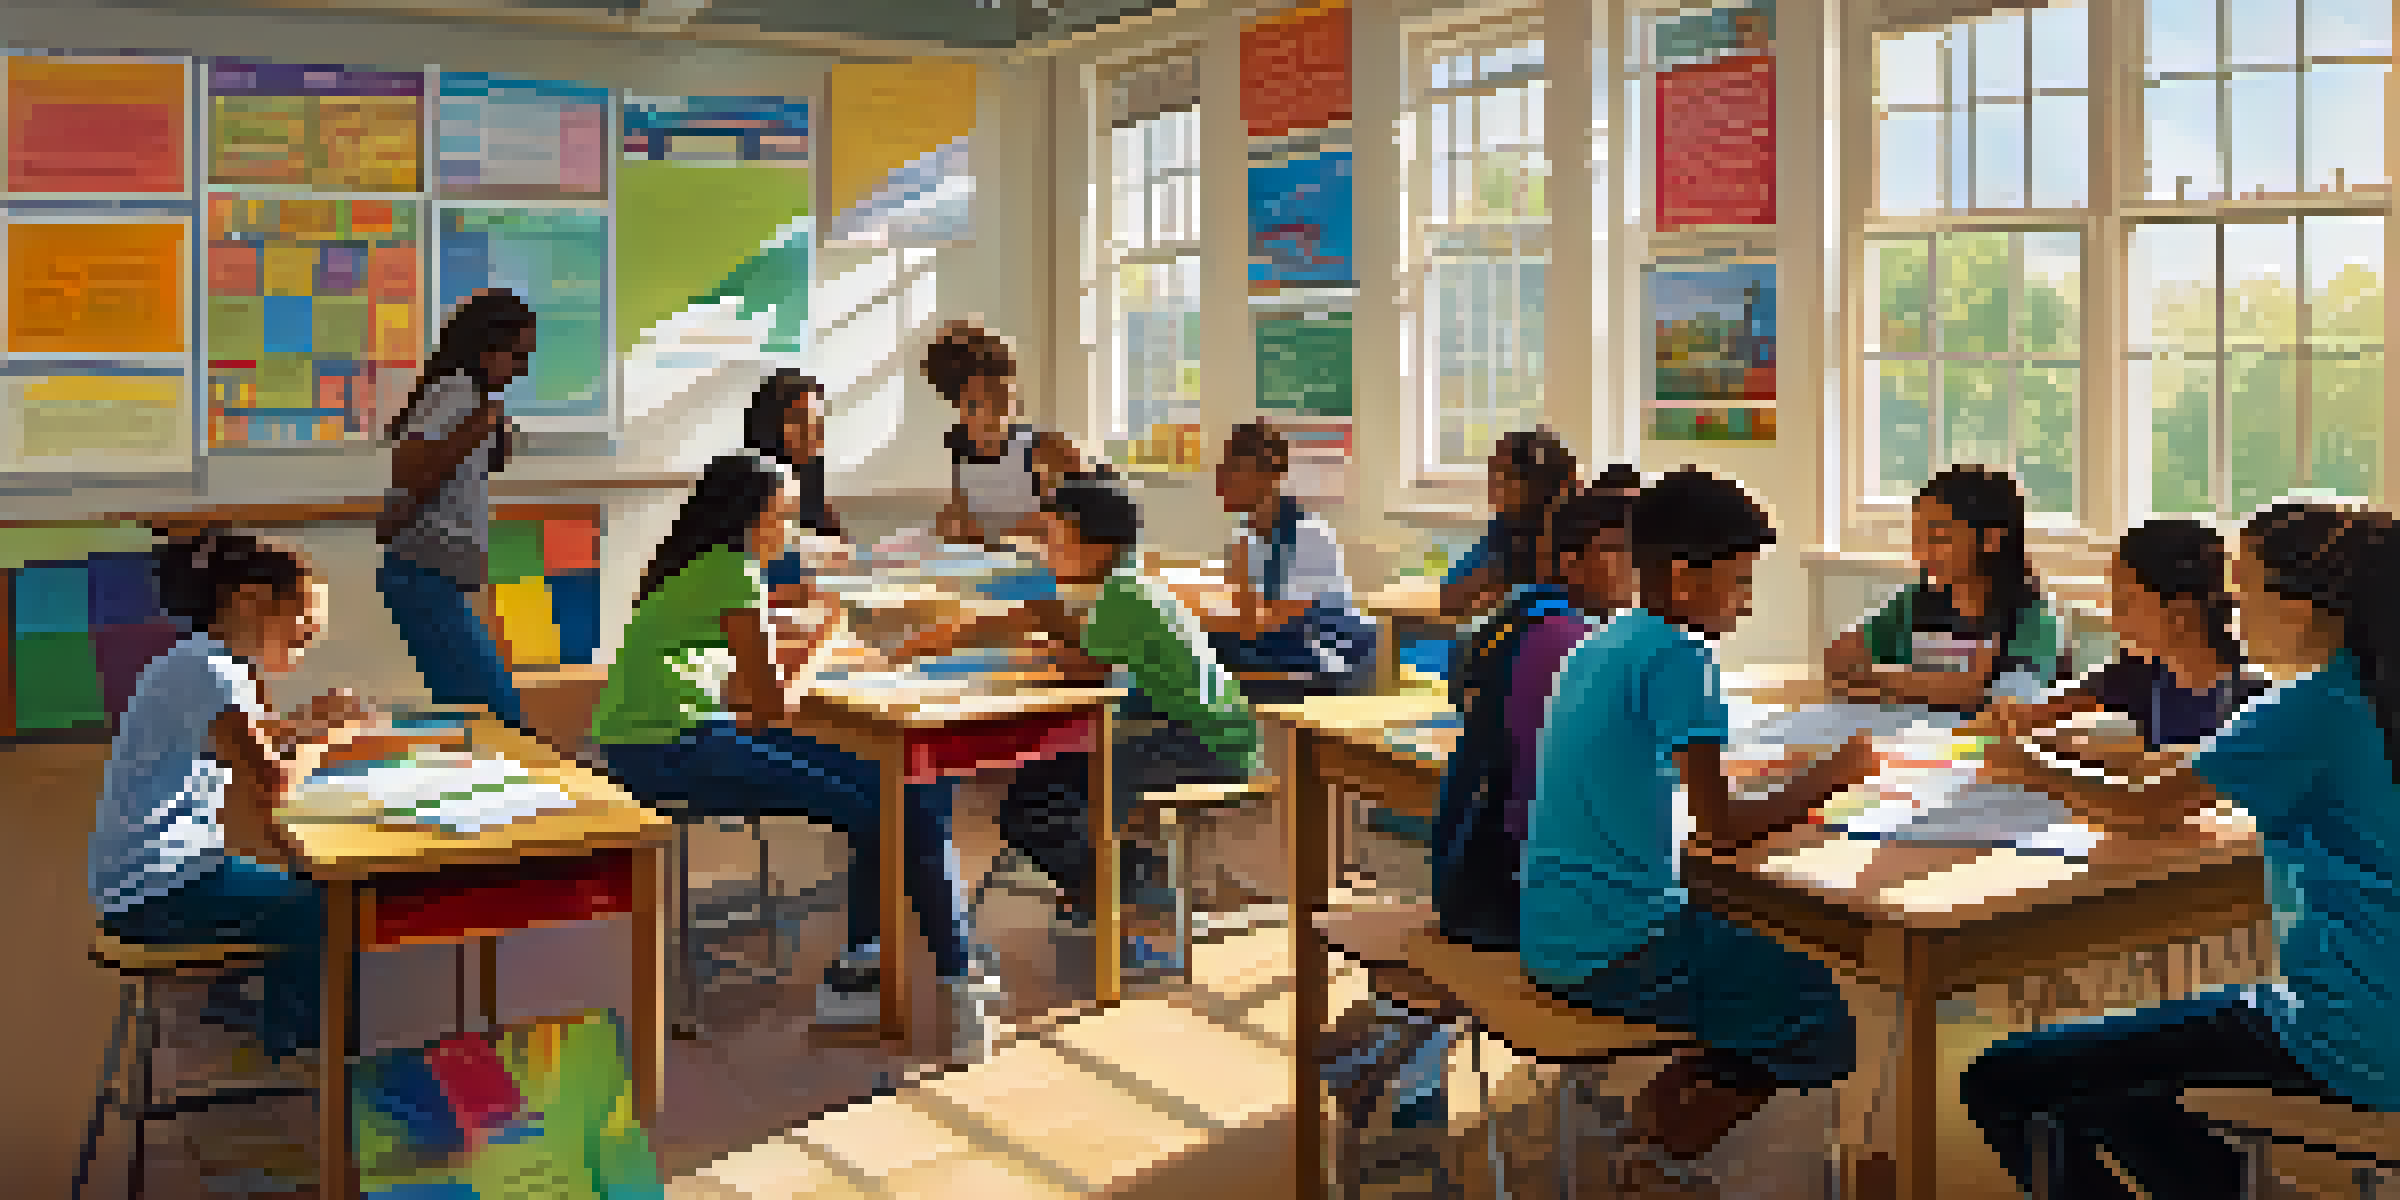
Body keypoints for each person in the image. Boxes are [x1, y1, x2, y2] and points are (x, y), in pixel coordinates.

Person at [1961, 501, 2400, 1200]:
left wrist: (2029, 767)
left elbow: (2145, 812)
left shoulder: (2314, 706)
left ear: (2303, 610)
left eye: (2243, 591)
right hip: (2372, 1015)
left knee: (2004, 1078)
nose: (2231, 609)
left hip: (2350, 1038)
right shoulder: (2366, 697)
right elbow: (2198, 770)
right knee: (2108, 1085)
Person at [1525, 468, 1865, 1192]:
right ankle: (1659, 1157)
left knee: (1756, 965)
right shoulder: (1683, 656)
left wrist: (1769, 787)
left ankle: (1654, 1119)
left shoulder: (1601, 643)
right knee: (1819, 1014)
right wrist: (1831, 777)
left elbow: (1664, 777)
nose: (1747, 602)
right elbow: (1720, 829)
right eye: (1739, 583)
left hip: (1552, 927)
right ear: (1684, 579)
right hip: (1618, 946)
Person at [587, 452, 991, 1060]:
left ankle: (870, 968)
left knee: (906, 781)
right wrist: (827, 637)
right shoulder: (734, 572)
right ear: (751, 518)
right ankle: (948, 978)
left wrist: (792, 638)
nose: (792, 530)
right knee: (890, 801)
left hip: (669, 736)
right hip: (668, 750)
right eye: (783, 516)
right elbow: (771, 708)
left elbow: (746, 688)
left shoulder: (702, 564)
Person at [894, 473, 1256, 969]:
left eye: (1054, 538)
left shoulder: (1123, 595)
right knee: (1035, 795)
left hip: (1202, 742)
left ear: (1097, 547)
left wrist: (1015, 652)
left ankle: (1131, 892)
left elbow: (1084, 668)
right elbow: (1047, 621)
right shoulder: (1117, 584)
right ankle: (1114, 886)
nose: (1045, 551)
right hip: (1177, 731)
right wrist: (967, 635)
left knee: (1043, 807)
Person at [90, 533, 375, 1066]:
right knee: (327, 907)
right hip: (155, 892)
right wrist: (325, 738)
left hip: (155, 878)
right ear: (249, 601)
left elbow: (254, 741)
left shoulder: (199, 662)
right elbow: (273, 781)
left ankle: (240, 1008)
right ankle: (305, 1049)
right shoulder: (210, 671)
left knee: (303, 885)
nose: (307, 644)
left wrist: (308, 723)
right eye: (302, 627)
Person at [377, 288, 536, 727]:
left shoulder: (470, 397)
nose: (521, 369)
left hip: (436, 575)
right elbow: (410, 469)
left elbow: (460, 472)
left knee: (474, 712)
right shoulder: (454, 390)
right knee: (498, 715)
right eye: (516, 355)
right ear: (485, 347)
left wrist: (491, 429)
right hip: (423, 573)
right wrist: (480, 424)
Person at [1965, 519, 2266, 750]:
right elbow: (2048, 711)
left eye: (2126, 602)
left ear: (2181, 612)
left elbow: (2188, 786)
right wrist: (2013, 717)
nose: (2113, 616)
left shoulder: (2248, 701)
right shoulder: (2143, 671)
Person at [1824, 464, 2064, 713]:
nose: (1921, 554)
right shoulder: (1913, 603)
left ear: (1991, 539)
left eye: (1938, 538)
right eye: (1918, 539)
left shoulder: (2033, 621)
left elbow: (2004, 705)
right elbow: (1840, 660)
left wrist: (1882, 680)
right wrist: (1930, 685)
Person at [1200, 419, 1379, 703]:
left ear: (1267, 477)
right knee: (1201, 650)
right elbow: (1248, 616)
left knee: (1207, 652)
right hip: (1283, 647)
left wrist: (1201, 619)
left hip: (1327, 656)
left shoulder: (1308, 535)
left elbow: (1270, 621)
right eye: (1223, 469)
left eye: (1233, 471)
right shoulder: (1246, 536)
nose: (1221, 481)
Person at [924, 319, 1084, 548]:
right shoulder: (961, 448)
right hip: (989, 560)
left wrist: (990, 528)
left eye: (998, 394)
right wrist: (953, 524)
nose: (987, 410)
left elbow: (1074, 520)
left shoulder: (1043, 448)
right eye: (972, 404)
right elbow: (961, 516)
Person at [1438, 429, 1581, 621]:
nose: (1492, 485)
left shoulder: (1574, 532)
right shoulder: (1504, 527)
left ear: (1537, 482)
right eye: (1492, 474)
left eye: (1503, 476)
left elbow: (1561, 609)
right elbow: (1450, 597)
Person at [742, 369, 847, 605]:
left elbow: (838, 546)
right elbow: (769, 574)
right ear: (770, 423)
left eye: (817, 421)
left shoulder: (806, 472)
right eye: (799, 420)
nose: (813, 431)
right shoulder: (755, 474)